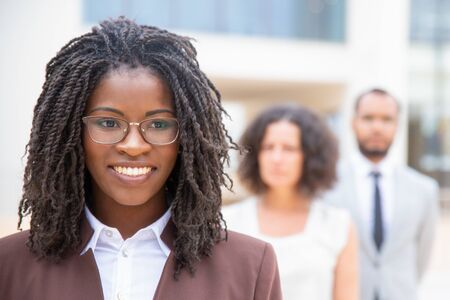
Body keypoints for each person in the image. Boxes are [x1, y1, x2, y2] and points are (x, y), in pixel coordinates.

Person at [0, 17, 282, 300]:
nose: (133, 146)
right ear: (72, 133)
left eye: (159, 125)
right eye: (108, 123)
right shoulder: (9, 265)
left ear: (186, 139)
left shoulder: (250, 267)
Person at [223, 105, 359, 300]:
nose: (276, 158)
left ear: (311, 157)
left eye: (289, 148)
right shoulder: (228, 223)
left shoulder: (338, 225)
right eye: (268, 147)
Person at [325, 88, 440, 300]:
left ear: (397, 125)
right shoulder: (326, 185)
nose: (377, 127)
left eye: (387, 119)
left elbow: (421, 256)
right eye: (368, 118)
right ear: (353, 123)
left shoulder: (424, 189)